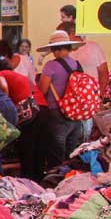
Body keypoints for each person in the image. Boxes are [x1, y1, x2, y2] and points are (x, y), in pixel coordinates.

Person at [0, 60, 48, 179]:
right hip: (43, 109)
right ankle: (39, 179)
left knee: (27, 147)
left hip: (29, 112)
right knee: (39, 147)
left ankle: (27, 179)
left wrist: (4, 102)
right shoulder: (20, 76)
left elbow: (3, 86)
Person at [37, 31, 87, 169]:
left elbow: (43, 90)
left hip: (57, 111)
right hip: (75, 112)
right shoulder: (77, 65)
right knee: (71, 151)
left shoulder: (51, 66)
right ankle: (69, 175)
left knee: (57, 151)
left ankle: (56, 176)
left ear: (54, 49)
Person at [61, 22, 109, 95]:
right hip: (72, 97)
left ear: (72, 33)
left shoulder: (93, 47)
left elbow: (104, 74)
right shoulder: (63, 52)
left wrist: (99, 95)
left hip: (92, 95)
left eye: (62, 37)